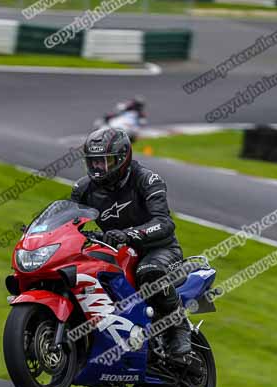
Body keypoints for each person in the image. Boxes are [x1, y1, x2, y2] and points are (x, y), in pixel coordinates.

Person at [70, 127, 193, 366]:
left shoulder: (147, 180)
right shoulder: (83, 188)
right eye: (94, 163)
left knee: (149, 273)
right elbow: (70, 219)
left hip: (158, 250)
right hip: (116, 251)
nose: (99, 169)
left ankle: (178, 328)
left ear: (123, 158)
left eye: (106, 162)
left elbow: (164, 223)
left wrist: (129, 234)